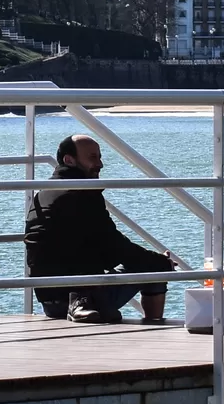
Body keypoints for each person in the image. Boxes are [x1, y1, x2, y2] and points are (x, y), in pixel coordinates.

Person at [24, 134, 175, 324]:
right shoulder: (82, 193)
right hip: (79, 298)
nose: (100, 164)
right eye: (92, 158)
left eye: (99, 157)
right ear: (69, 160)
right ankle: (154, 325)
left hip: (49, 299)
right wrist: (159, 260)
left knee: (146, 261)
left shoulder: (44, 194)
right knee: (155, 267)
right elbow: (114, 248)